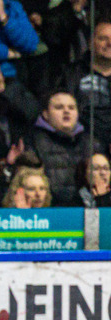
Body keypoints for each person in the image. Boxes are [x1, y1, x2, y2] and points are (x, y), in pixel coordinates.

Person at [29, 91, 101, 206]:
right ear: (46, 114)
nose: (66, 111)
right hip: (47, 212)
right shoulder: (33, 140)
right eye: (59, 107)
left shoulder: (92, 143)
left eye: (71, 108)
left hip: (85, 210)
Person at [74, 21, 111, 149]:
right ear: (90, 43)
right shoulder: (71, 74)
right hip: (82, 144)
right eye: (103, 38)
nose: (109, 44)